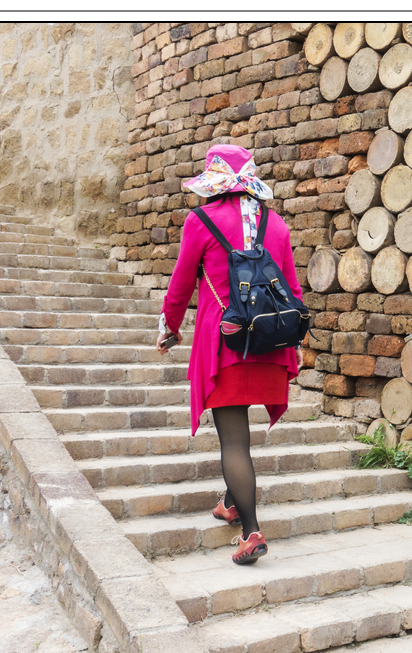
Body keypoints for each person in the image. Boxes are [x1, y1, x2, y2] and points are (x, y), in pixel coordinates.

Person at [156, 144, 302, 565]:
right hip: (270, 339)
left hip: (227, 341)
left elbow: (182, 284)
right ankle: (230, 502)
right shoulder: (276, 224)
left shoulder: (201, 220)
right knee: (238, 435)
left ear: (214, 181)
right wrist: (295, 343)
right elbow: (292, 288)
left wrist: (169, 328)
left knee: (234, 440)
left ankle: (251, 532)